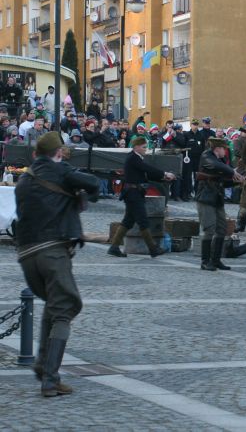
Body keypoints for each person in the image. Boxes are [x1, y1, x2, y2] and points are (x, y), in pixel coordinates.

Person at [15, 132, 100, 397]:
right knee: (65, 307)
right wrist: (67, 171)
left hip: (26, 255)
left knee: (53, 306)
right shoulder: (60, 170)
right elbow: (94, 182)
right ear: (59, 153)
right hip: (52, 252)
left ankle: (42, 365)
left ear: (34, 155)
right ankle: (50, 380)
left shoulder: (24, 180)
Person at [108, 137, 176, 257]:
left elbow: (145, 175)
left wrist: (163, 178)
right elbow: (147, 169)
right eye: (144, 147)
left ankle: (114, 247)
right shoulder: (133, 158)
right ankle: (153, 249)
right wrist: (165, 173)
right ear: (136, 147)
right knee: (143, 221)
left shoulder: (136, 158)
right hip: (133, 194)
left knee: (128, 221)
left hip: (134, 193)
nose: (146, 149)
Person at [195, 137, 244, 270]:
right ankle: (205, 261)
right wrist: (232, 171)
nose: (226, 151)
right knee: (209, 230)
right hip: (206, 197)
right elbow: (218, 167)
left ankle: (216, 260)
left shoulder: (220, 160)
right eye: (224, 148)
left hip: (217, 198)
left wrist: (237, 181)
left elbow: (223, 181)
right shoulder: (207, 156)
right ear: (218, 149)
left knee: (222, 229)